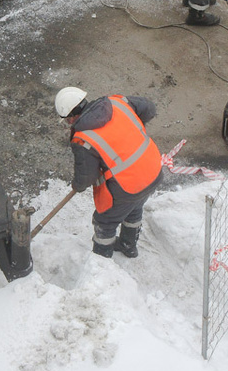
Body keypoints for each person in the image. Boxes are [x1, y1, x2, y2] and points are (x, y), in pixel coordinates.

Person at [55, 86, 164, 259]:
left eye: (68, 121)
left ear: (72, 117)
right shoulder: (118, 103)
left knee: (105, 222)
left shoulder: (83, 139)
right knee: (134, 208)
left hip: (129, 185)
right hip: (153, 169)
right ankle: (129, 246)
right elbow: (149, 108)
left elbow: (86, 177)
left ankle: (101, 267)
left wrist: (77, 185)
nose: (69, 124)